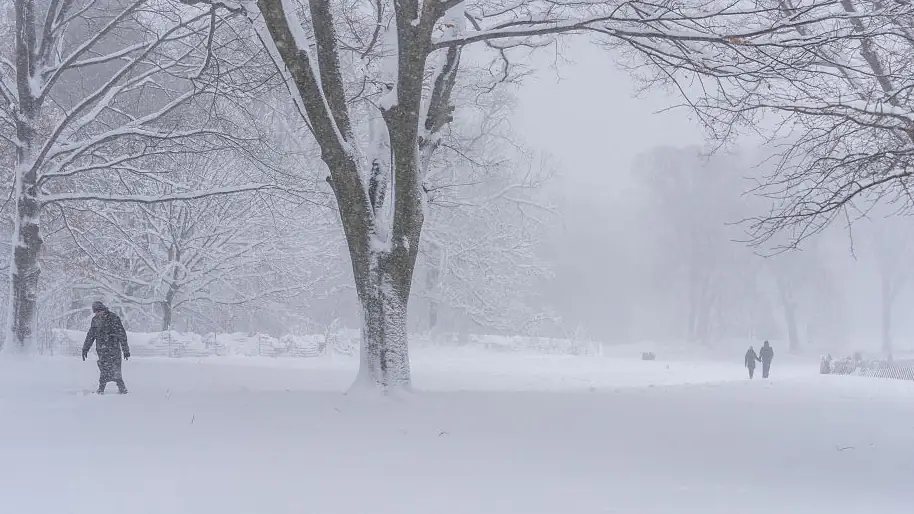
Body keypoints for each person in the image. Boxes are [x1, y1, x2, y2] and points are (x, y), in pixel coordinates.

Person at [82, 301, 130, 394]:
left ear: (103, 309)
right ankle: (101, 390)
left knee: (116, 371)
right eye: (95, 312)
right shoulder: (95, 320)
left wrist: (125, 350)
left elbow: (122, 334)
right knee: (103, 370)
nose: (97, 314)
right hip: (102, 350)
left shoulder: (113, 318)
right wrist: (85, 348)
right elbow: (90, 335)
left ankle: (122, 390)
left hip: (113, 350)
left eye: (98, 311)